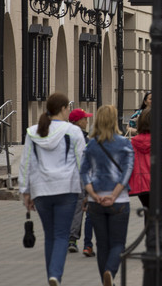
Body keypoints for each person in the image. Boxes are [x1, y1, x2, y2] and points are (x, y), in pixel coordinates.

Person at [18, 92, 86, 286]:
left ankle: (52, 275)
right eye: (68, 109)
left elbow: (26, 163)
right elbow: (82, 162)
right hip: (67, 189)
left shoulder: (34, 131)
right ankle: (55, 275)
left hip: (41, 190)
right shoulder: (73, 132)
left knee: (50, 235)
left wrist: (25, 191)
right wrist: (88, 190)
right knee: (62, 235)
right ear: (64, 109)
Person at [79, 105, 134, 286]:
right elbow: (127, 171)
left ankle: (105, 279)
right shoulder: (124, 143)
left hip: (96, 202)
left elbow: (84, 172)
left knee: (102, 244)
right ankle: (110, 271)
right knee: (118, 243)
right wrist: (114, 194)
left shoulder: (91, 144)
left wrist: (93, 194)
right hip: (119, 201)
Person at [129, 107, 162, 221]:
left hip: (142, 184)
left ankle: (149, 236)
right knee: (160, 215)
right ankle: (159, 236)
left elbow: (130, 163)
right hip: (161, 182)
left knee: (147, 213)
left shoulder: (134, 141)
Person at [67, 108, 95, 257]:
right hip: (80, 177)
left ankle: (69, 239)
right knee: (82, 208)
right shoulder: (83, 138)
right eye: (84, 118)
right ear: (78, 121)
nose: (87, 121)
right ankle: (75, 240)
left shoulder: (63, 135)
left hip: (65, 178)